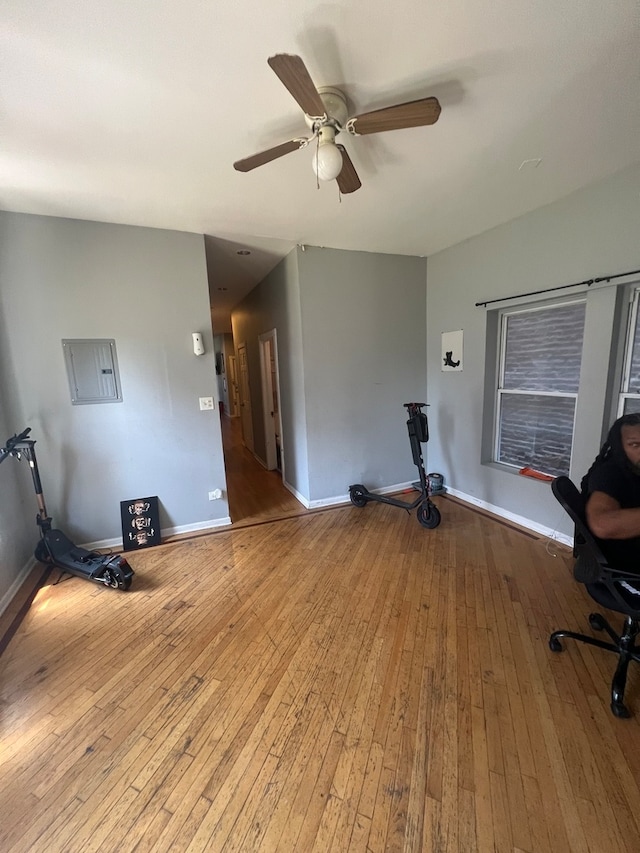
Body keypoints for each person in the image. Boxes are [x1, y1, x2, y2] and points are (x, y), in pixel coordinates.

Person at [581, 412, 640, 572]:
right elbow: (602, 524)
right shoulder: (609, 474)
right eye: (635, 445)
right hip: (628, 569)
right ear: (620, 447)